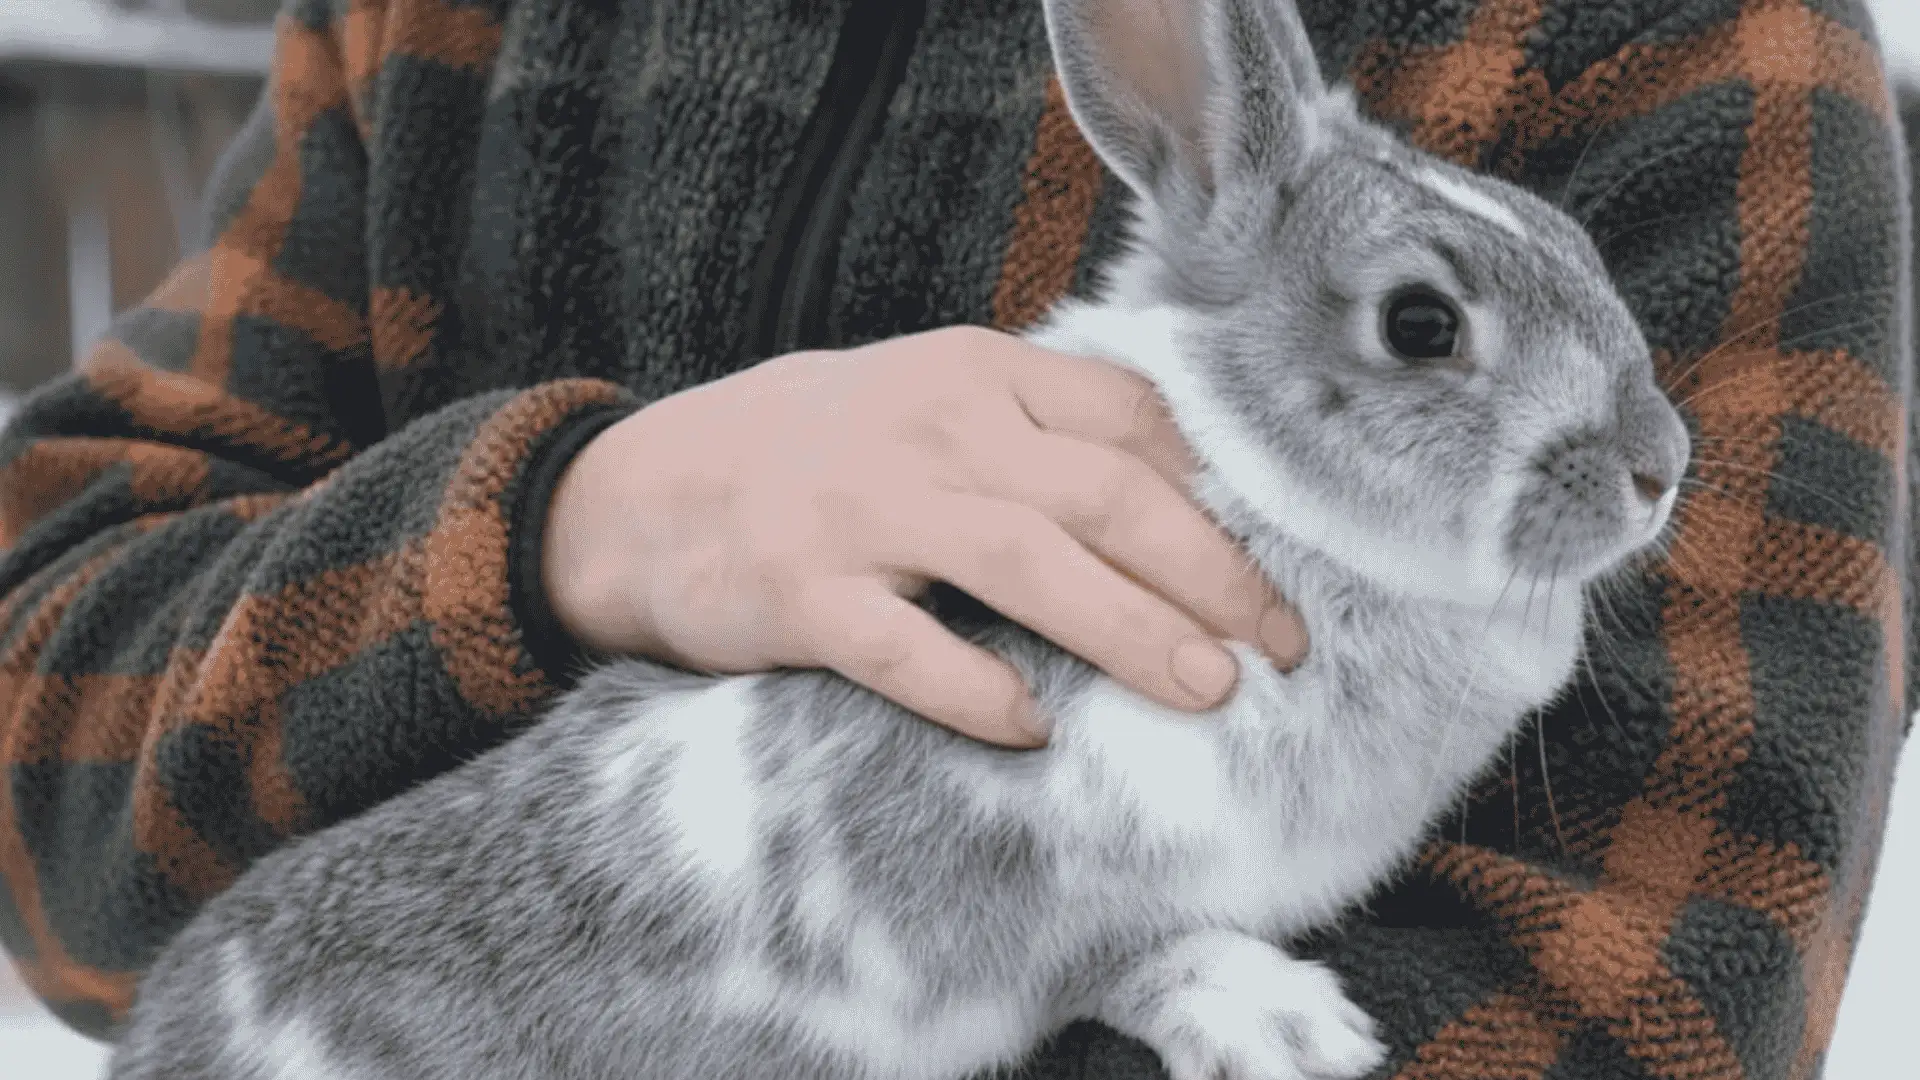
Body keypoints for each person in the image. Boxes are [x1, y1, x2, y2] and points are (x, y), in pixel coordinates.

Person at [0, 0, 1909, 1075]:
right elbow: (52, 753)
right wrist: (566, 527)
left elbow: (1666, 988)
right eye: (1423, 329)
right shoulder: (451, 29)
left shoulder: (1673, 47)